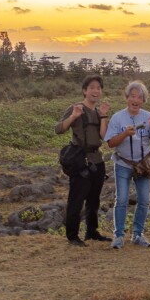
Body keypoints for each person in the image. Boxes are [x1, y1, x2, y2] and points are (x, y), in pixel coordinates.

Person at [54, 75, 111, 247]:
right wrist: (73, 116)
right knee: (76, 200)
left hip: (97, 161)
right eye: (92, 87)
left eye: (98, 88)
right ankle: (72, 236)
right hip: (81, 161)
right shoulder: (75, 108)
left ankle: (91, 232)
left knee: (94, 200)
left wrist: (103, 116)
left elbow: (104, 136)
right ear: (85, 91)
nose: (96, 91)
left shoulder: (98, 112)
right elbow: (58, 129)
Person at [104, 81, 150, 249]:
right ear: (126, 98)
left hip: (144, 165)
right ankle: (119, 235)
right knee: (121, 199)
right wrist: (124, 134)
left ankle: (137, 234)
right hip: (122, 163)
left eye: (139, 97)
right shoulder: (117, 117)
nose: (135, 100)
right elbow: (110, 143)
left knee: (144, 200)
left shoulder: (148, 117)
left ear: (144, 100)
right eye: (132, 96)